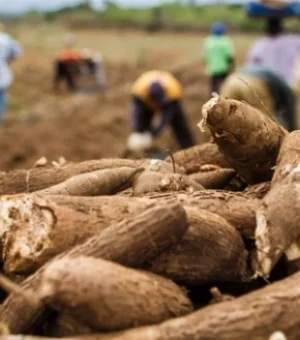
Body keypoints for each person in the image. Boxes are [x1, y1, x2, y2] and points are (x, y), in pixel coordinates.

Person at [220, 17, 300, 131]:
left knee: (224, 123)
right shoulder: (292, 41)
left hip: (232, 80)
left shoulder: (259, 43)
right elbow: (289, 107)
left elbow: (251, 63)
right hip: (255, 85)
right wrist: (293, 130)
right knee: (267, 129)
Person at [127, 70, 195, 151]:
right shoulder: (139, 91)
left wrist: (156, 132)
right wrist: (139, 130)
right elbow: (136, 115)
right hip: (145, 100)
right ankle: (142, 150)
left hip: (169, 101)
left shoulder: (173, 91)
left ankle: (188, 147)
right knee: (141, 124)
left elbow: (166, 118)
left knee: (179, 124)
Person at [203, 22, 235, 94]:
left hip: (212, 69)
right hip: (224, 68)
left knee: (214, 87)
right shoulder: (226, 41)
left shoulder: (208, 41)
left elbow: (206, 57)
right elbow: (230, 56)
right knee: (226, 86)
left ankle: (212, 101)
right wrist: (232, 67)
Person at [0, 22, 22, 119]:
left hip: (3, 69)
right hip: (3, 69)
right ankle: (2, 116)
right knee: (2, 94)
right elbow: (17, 52)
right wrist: (9, 62)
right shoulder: (6, 39)